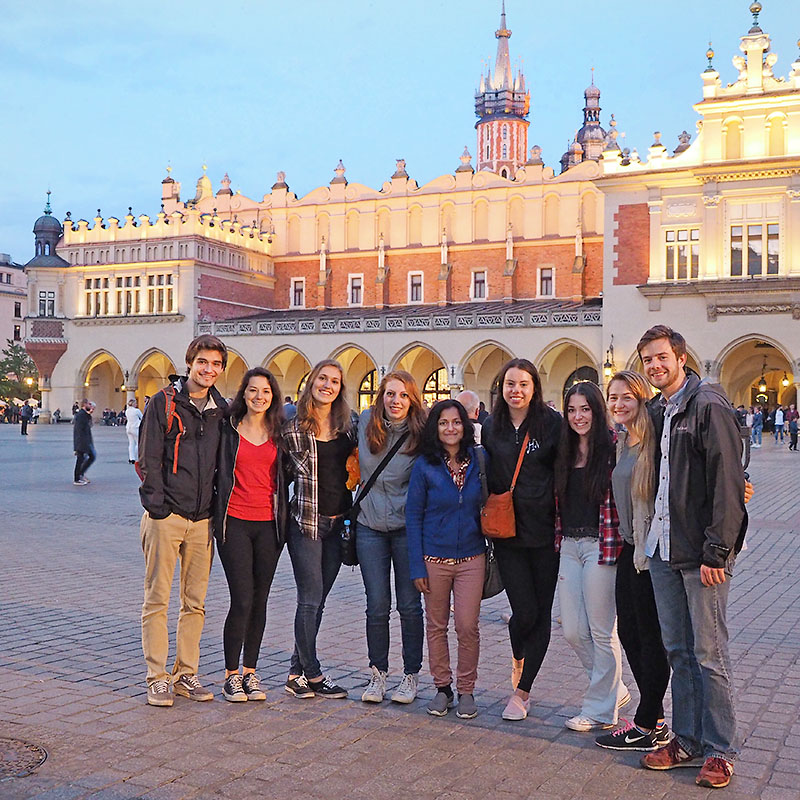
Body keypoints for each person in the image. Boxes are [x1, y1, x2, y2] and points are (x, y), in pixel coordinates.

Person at [638, 325, 746, 789]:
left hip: (701, 553)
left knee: (709, 652)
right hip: (664, 547)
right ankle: (687, 739)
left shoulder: (707, 404)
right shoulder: (660, 410)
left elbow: (727, 481)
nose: (654, 366)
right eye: (647, 360)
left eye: (661, 357)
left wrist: (718, 550)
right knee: (679, 651)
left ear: (681, 357)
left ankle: (720, 749)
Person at [137, 334, 228, 707]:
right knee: (157, 599)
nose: (209, 370)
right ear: (189, 363)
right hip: (167, 516)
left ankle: (185, 673)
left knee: (196, 603)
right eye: (203, 362)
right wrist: (158, 507)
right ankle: (157, 677)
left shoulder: (221, 409)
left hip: (203, 520)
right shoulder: (164, 403)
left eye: (216, 364)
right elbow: (148, 459)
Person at [594, 371, 672, 752]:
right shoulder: (622, 442)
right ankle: (652, 719)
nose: (619, 404)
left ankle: (648, 722)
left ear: (642, 399)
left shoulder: (655, 442)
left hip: (650, 551)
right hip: (629, 548)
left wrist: (739, 480)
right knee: (629, 634)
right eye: (613, 397)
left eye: (627, 397)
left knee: (649, 637)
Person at [481, 358, 562, 721]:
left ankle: (522, 692)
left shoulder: (552, 425)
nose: (516, 391)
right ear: (501, 388)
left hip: (545, 535)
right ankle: (519, 652)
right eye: (510, 384)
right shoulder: (490, 428)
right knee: (523, 613)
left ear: (535, 388)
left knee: (540, 613)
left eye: (523, 384)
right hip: (508, 534)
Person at [554, 382, 627, 732]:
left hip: (603, 545)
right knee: (571, 630)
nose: (578, 416)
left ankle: (600, 710)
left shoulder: (614, 448)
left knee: (601, 631)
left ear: (597, 411)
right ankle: (614, 689)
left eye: (585, 409)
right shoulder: (565, 451)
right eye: (571, 410)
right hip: (569, 545)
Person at [406, 399, 485, 719]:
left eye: (456, 422)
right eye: (443, 423)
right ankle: (443, 688)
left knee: (467, 626)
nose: (450, 428)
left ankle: (467, 689)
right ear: (434, 428)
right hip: (433, 558)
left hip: (471, 556)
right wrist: (416, 565)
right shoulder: (425, 466)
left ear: (465, 426)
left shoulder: (479, 459)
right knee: (436, 626)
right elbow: (412, 516)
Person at [283, 359, 357, 700]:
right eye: (322, 378)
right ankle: (312, 673)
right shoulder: (293, 428)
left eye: (335, 381)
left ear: (341, 389)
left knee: (321, 600)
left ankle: (296, 672)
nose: (327, 385)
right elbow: (278, 476)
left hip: (337, 521)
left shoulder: (347, 427)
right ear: (311, 381)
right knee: (310, 598)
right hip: (305, 524)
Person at [214, 367, 287, 702]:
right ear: (243, 393)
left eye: (266, 392)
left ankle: (250, 672)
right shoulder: (228, 429)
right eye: (253, 390)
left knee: (260, 600)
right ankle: (230, 674)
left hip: (269, 526)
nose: (259, 397)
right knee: (242, 598)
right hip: (235, 522)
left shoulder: (279, 432)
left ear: (274, 397)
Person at [357, 371, 426, 705]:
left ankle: (410, 675)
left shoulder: (421, 433)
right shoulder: (366, 423)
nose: (395, 401)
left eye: (403, 395)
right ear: (381, 395)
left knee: (410, 605)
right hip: (369, 526)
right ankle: (377, 673)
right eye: (389, 394)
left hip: (405, 529)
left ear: (412, 399)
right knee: (376, 605)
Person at [73, 400, 96, 485]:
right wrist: (77, 445)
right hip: (82, 441)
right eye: (89, 404)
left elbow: (89, 425)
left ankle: (80, 475)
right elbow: (79, 430)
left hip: (84, 441)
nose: (91, 406)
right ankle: (77, 478)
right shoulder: (81, 415)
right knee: (81, 459)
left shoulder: (84, 414)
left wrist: (89, 414)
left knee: (89, 457)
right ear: (85, 404)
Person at [125, 399, 143, 464]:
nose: (136, 404)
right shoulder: (136, 411)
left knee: (131, 443)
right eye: (135, 403)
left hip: (129, 427)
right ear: (133, 404)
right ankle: (136, 457)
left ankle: (131, 458)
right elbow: (142, 417)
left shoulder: (127, 411)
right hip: (135, 427)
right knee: (138, 443)